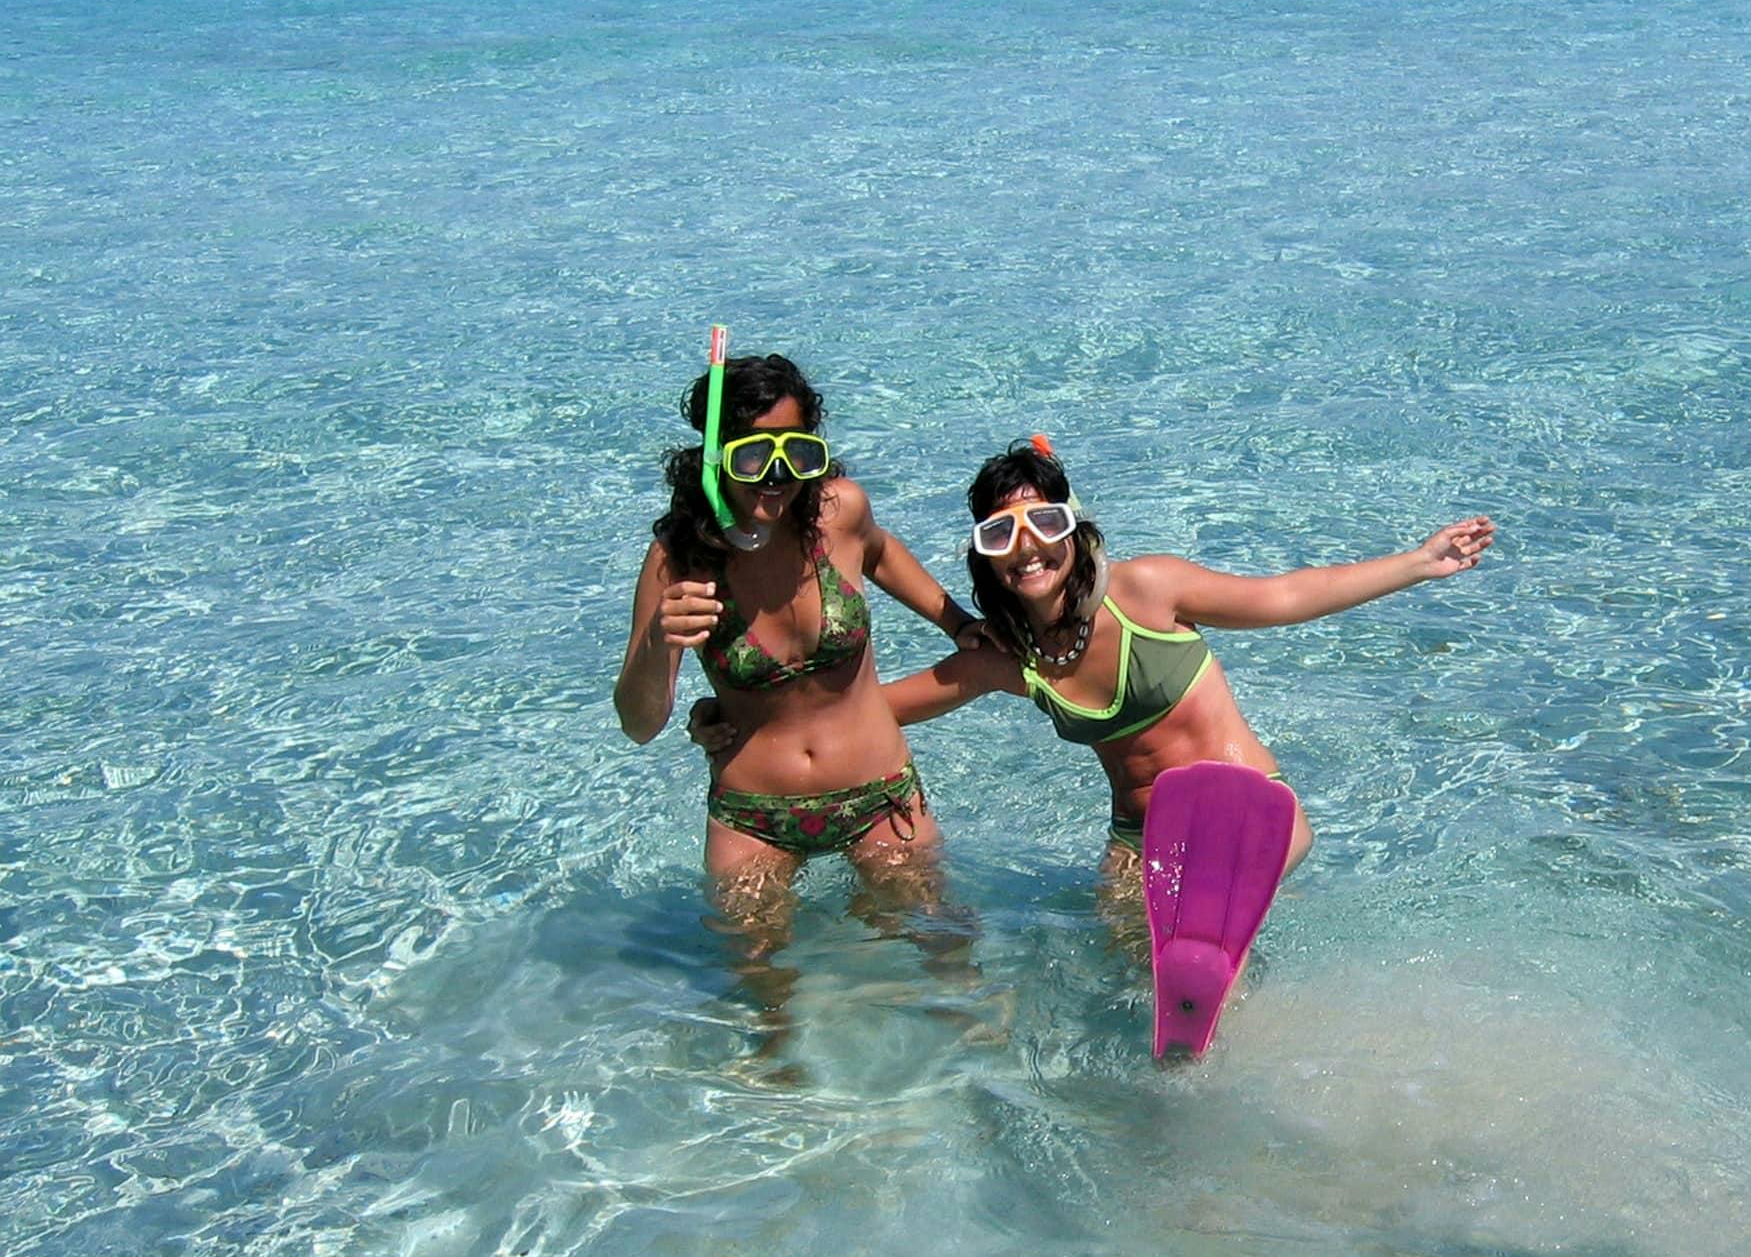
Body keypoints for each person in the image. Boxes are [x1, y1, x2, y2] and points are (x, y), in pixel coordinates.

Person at [871, 436, 1494, 875]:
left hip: (1244, 808)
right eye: (1001, 533)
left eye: (1046, 524)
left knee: (1199, 959)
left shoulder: (1146, 591)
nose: (1027, 547)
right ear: (984, 554)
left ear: (1075, 530)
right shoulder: (1011, 657)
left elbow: (1284, 596)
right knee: (1119, 984)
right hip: (1136, 841)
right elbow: (873, 712)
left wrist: (1418, 563)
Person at [614, 350, 980, 916]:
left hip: (880, 797)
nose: (778, 475)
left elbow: (879, 552)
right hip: (753, 818)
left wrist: (957, 622)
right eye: (756, 454)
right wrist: (658, 640)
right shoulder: (678, 561)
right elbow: (639, 726)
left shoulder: (840, 513)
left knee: (947, 958)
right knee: (762, 996)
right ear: (715, 457)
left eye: (798, 452)